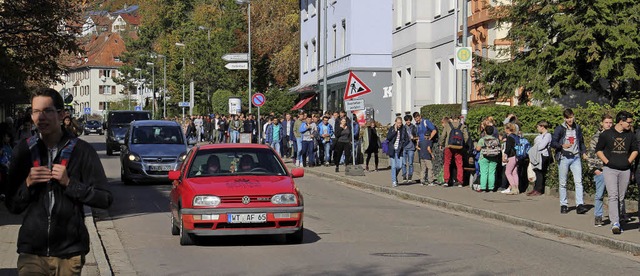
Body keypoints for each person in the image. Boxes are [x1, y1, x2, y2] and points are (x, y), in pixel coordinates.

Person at [5, 88, 113, 275]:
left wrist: (70, 184)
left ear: (62, 114)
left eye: (47, 111)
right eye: (36, 112)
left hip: (69, 253)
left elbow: (105, 199)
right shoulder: (23, 151)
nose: (41, 117)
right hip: (32, 251)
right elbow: (12, 205)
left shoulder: (82, 151)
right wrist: (28, 183)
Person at [595, 111, 638, 234]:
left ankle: (618, 219)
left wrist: (628, 161)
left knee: (621, 196)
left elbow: (635, 150)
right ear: (621, 121)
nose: (630, 124)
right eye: (628, 122)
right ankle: (615, 223)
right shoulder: (606, 134)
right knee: (613, 195)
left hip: (625, 170)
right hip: (610, 170)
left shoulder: (630, 135)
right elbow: (598, 150)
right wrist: (607, 162)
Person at [551, 108, 588, 215]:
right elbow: (553, 142)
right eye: (567, 118)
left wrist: (583, 152)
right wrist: (562, 145)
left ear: (574, 116)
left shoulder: (577, 128)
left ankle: (580, 205)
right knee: (563, 182)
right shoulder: (560, 129)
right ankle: (564, 205)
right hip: (564, 158)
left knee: (578, 182)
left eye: (571, 117)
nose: (570, 120)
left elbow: (581, 142)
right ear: (564, 118)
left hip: (576, 157)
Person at [586, 114, 613, 226]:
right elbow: (590, 154)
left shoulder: (615, 136)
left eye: (610, 122)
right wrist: (594, 169)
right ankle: (598, 216)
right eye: (606, 122)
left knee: (614, 196)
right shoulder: (596, 137)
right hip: (600, 169)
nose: (609, 124)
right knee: (599, 195)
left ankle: (617, 217)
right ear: (602, 123)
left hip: (613, 169)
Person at [438, 115, 469, 187]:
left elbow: (443, 136)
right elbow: (466, 137)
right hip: (459, 147)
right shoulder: (462, 126)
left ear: (452, 118)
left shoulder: (447, 125)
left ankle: (446, 180)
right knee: (459, 163)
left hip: (448, 146)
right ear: (458, 119)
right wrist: (462, 144)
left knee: (447, 163)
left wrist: (441, 144)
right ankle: (460, 181)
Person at [527, 120, 552, 196]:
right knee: (536, 171)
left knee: (540, 172)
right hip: (537, 155)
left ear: (542, 127)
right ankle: (535, 189)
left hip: (543, 155)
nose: (537, 128)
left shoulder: (548, 135)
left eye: (538, 127)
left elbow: (541, 146)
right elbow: (536, 143)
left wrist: (537, 144)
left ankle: (539, 189)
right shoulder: (539, 136)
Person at [475, 125, 501, 192]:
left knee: (484, 173)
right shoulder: (496, 139)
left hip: (484, 157)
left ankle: (483, 187)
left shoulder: (482, 139)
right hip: (494, 157)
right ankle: (491, 188)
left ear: (485, 132)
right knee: (492, 173)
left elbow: (478, 149)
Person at [387, 117, 407, 187]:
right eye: (398, 123)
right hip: (392, 150)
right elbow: (388, 137)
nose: (399, 124)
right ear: (395, 122)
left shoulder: (403, 129)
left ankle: (394, 177)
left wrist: (403, 145)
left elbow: (406, 139)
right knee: (393, 166)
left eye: (400, 123)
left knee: (400, 166)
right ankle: (394, 181)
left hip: (399, 150)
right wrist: (395, 131)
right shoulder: (392, 129)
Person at [501, 123, 519, 195]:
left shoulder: (509, 137)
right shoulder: (516, 136)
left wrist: (504, 156)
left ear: (508, 129)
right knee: (514, 173)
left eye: (505, 128)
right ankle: (517, 188)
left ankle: (513, 188)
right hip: (518, 156)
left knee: (507, 172)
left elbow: (508, 148)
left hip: (511, 156)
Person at [402, 114, 418, 183]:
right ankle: (404, 176)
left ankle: (410, 176)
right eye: (406, 120)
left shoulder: (414, 127)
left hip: (411, 147)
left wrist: (414, 138)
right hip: (404, 147)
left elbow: (417, 136)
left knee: (410, 163)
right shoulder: (403, 128)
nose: (408, 121)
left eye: (409, 120)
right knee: (404, 163)